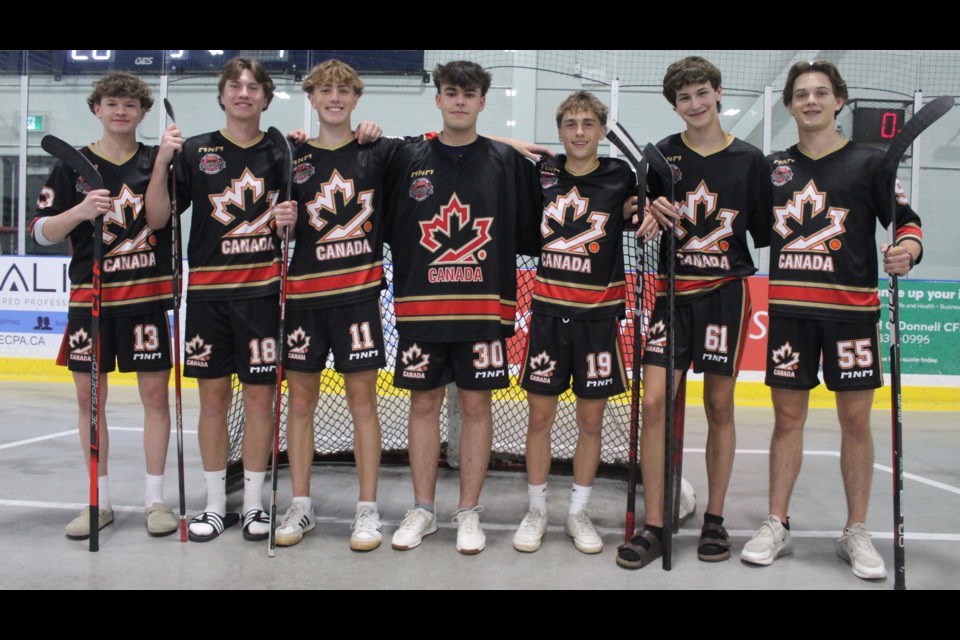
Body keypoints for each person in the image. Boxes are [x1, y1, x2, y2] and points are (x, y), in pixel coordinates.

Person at [740, 60, 922, 580]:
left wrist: (906, 250)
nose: (812, 101)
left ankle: (856, 531)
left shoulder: (871, 162)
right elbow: (742, 227)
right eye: (802, 94)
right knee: (787, 421)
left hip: (852, 316)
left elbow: (907, 225)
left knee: (856, 423)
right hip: (792, 315)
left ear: (839, 101)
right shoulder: (773, 167)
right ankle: (776, 522)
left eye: (821, 93)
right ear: (791, 104)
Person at [383, 60, 541, 554]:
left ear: (481, 103)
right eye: (451, 92)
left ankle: (468, 512)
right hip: (420, 309)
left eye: (468, 94)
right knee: (423, 406)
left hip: (483, 310)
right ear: (438, 99)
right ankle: (424, 510)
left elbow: (544, 214)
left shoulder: (506, 161)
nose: (459, 101)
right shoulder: (406, 157)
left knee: (477, 408)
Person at [618, 57, 771, 568]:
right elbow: (633, 212)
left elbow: (770, 233)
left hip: (726, 291)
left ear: (719, 93)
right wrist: (643, 211)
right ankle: (656, 524)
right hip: (670, 292)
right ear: (675, 105)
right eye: (684, 98)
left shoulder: (752, 160)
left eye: (702, 93)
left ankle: (715, 520)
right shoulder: (659, 157)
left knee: (720, 406)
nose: (695, 104)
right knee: (656, 401)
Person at [271, 60, 411, 551]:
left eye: (344, 91)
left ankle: (367, 512)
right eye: (325, 90)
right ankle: (301, 504)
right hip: (305, 300)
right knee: (301, 404)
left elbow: (447, 145)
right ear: (312, 98)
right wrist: (279, 220)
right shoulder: (290, 156)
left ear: (356, 99)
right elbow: (279, 227)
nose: (334, 97)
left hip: (358, 300)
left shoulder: (377, 150)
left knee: (362, 404)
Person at [31, 71, 177, 538]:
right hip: (88, 301)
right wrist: (79, 211)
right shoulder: (70, 166)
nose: (120, 111)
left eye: (130, 105)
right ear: (97, 108)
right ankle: (100, 499)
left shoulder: (159, 159)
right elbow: (41, 233)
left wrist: (162, 166)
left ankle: (156, 500)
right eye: (112, 103)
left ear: (142, 112)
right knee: (89, 401)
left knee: (155, 398)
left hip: (146, 298)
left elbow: (159, 221)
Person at [146, 57, 285, 543]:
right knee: (212, 401)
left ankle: (252, 505)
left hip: (265, 296)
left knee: (261, 400)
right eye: (235, 86)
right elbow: (159, 219)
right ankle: (211, 505)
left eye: (253, 87)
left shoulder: (283, 150)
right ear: (223, 96)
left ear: (265, 98)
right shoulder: (195, 150)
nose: (243, 93)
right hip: (207, 297)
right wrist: (163, 161)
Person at [511, 91, 634, 555]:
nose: (579, 132)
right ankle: (537, 510)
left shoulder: (621, 175)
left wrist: (639, 211)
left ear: (602, 130)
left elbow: (649, 206)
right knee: (539, 418)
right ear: (560, 131)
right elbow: (486, 143)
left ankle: (578, 512)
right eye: (570, 124)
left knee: (591, 421)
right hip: (547, 315)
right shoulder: (543, 171)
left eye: (588, 123)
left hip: (599, 320)